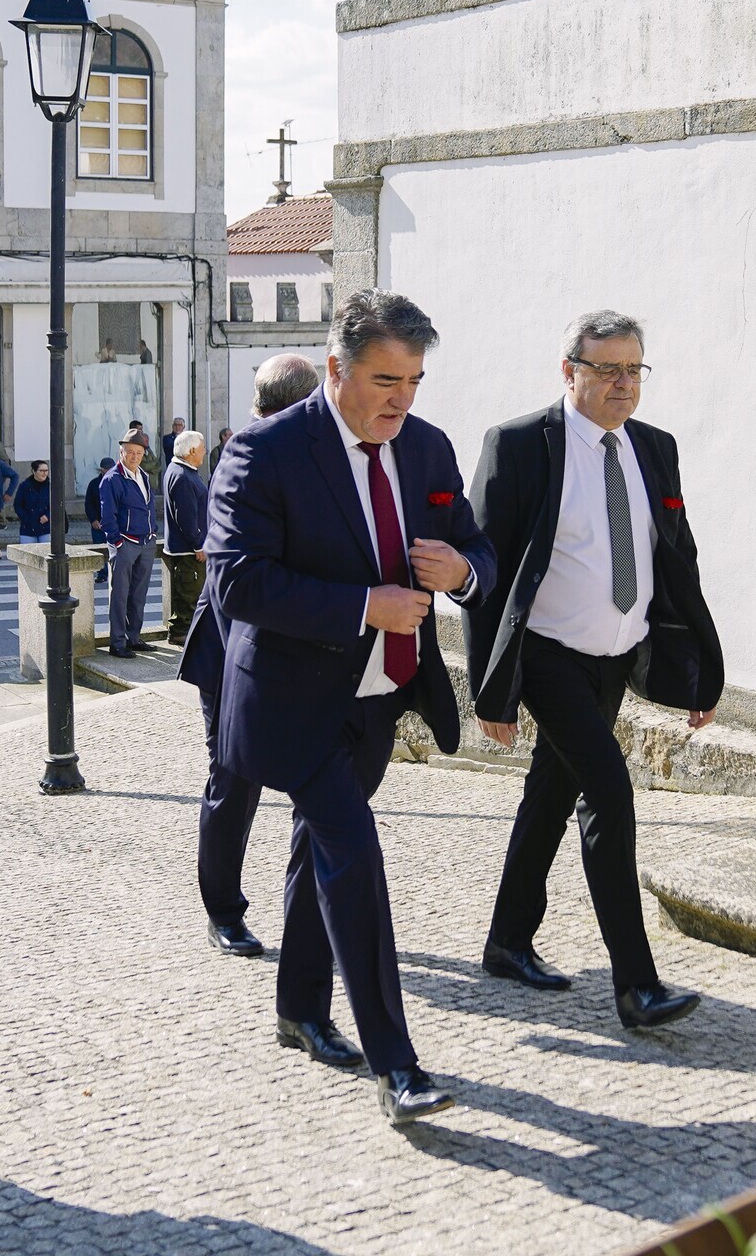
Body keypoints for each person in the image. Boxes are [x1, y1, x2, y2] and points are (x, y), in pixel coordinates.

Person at [200, 296, 493, 1125]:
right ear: (336, 370)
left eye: (414, 380)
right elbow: (236, 580)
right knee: (353, 856)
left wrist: (461, 572)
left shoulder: (427, 448)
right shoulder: (265, 450)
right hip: (293, 701)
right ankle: (397, 1066)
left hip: (381, 699)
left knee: (317, 850)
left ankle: (300, 1009)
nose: (401, 399)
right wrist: (366, 606)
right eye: (385, 381)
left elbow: (477, 547)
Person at [464, 310, 722, 1032]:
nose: (623, 383)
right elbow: (486, 574)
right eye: (607, 369)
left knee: (552, 791)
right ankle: (636, 985)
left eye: (634, 369)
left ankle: (507, 940)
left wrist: (700, 671)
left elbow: (678, 561)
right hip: (548, 653)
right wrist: (493, 688)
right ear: (569, 370)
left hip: (616, 655)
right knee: (608, 790)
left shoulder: (655, 448)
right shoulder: (520, 445)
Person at [179, 352, 318, 961]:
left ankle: (312, 912)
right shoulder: (246, 455)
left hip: (303, 648)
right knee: (234, 781)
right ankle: (223, 911)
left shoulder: (320, 454)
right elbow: (233, 578)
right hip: (233, 648)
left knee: (316, 784)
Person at [98, 431, 158, 658]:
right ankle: (117, 643)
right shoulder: (112, 479)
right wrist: (117, 541)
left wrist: (153, 532)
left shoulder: (144, 476)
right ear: (121, 452)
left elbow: (149, 507)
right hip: (125, 544)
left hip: (146, 542)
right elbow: (107, 517)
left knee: (138, 595)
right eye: (130, 452)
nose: (134, 456)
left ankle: (134, 638)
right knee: (120, 596)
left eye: (139, 453)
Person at [161, 430, 209, 643]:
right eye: (202, 448)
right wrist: (198, 544)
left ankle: (184, 632)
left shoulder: (182, 471)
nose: (205, 452)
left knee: (189, 593)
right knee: (189, 594)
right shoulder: (182, 475)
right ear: (191, 451)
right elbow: (186, 516)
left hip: (186, 547)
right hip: (188, 550)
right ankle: (180, 634)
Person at [87, 456, 114, 584]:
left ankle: (115, 572)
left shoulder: (118, 481)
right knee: (99, 549)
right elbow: (89, 504)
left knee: (115, 548)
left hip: (114, 523)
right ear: (102, 470)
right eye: (107, 469)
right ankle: (102, 573)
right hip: (99, 522)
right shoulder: (93, 484)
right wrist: (93, 520)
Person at [14, 460, 53, 544]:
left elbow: (57, 505)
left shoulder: (51, 486)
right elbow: (17, 505)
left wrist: (48, 516)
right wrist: (25, 518)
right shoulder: (24, 486)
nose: (44, 473)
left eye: (46, 471)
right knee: (27, 551)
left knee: (46, 551)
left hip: (46, 527)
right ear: (34, 471)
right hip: (28, 528)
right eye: (41, 471)